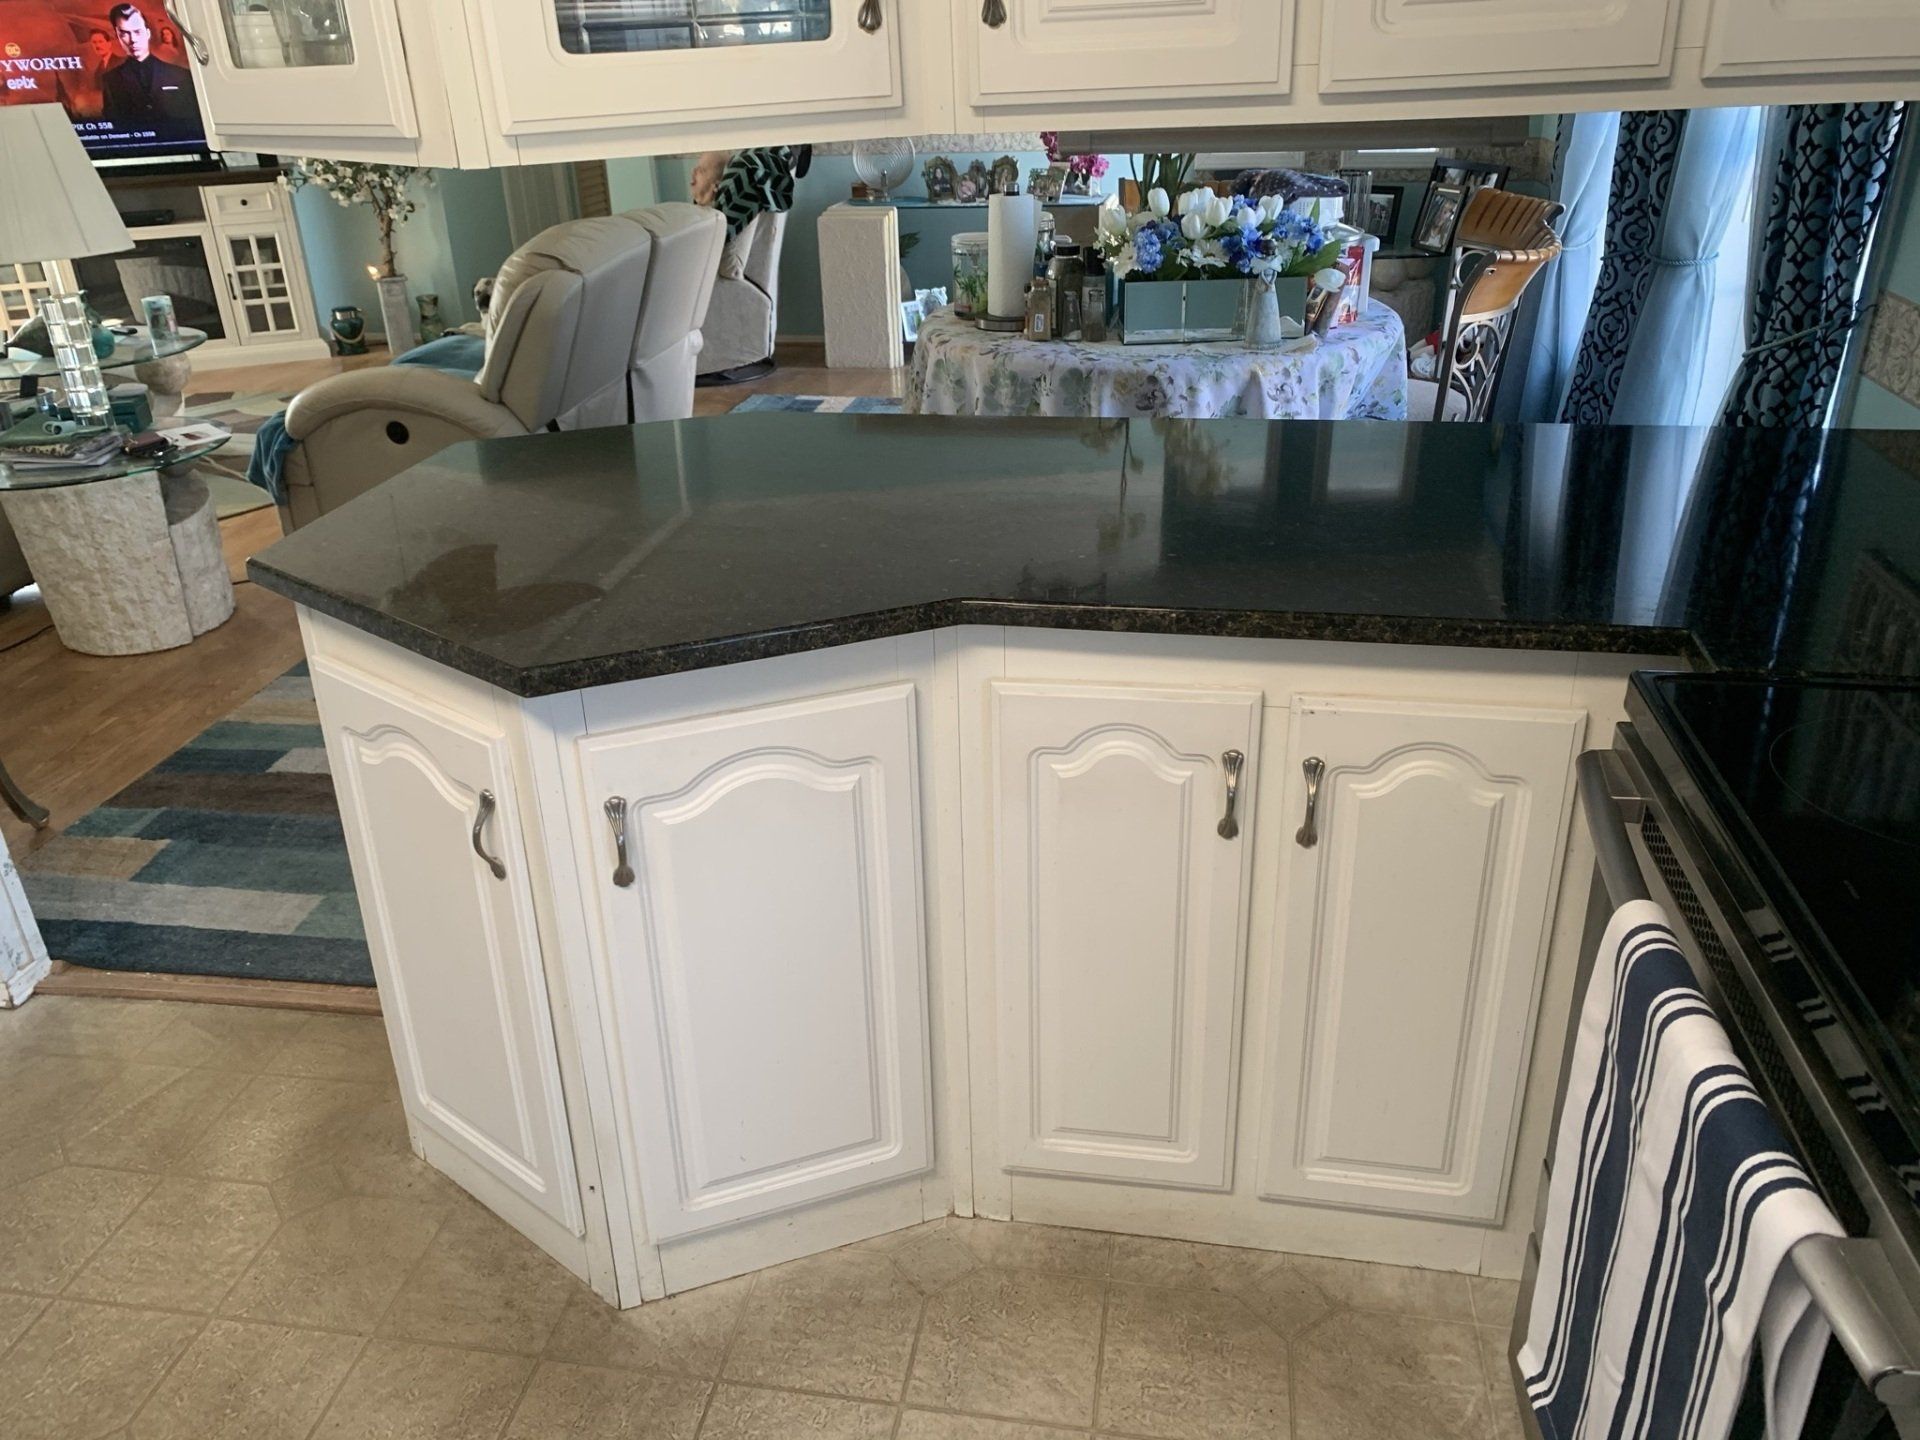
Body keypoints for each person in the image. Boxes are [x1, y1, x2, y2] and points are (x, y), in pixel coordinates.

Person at [99, 3, 195, 127]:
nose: (133, 39)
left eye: (137, 32)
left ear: (148, 33)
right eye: (124, 33)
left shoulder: (180, 75)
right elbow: (112, 123)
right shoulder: (110, 80)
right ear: (117, 37)